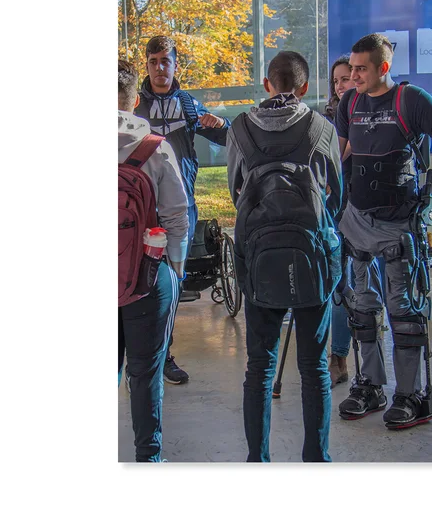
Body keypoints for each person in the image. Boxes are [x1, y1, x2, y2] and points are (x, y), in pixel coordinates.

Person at [335, 33, 432, 428]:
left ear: (383, 67)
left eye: (361, 69)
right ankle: (370, 385)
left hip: (398, 224)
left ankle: (410, 394)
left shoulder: (411, 100)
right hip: (356, 220)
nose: (353, 76)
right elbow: (340, 154)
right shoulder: (350, 103)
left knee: (402, 311)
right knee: (362, 308)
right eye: (351, 68)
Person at [227, 50, 343, 461]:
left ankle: (257, 461)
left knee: (259, 367)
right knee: (314, 368)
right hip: (311, 257)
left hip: (260, 259)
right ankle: (316, 460)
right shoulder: (322, 128)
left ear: (267, 84)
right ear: (305, 87)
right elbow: (337, 198)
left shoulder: (240, 129)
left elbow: (236, 192)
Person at [134, 35, 229, 385]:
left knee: (172, 283)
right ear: (146, 66)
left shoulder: (188, 104)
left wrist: (220, 124)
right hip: (139, 210)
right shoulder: (133, 105)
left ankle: (164, 354)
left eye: (166, 61)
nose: (160, 68)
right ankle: (137, 358)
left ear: (175, 65)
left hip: (180, 208)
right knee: (135, 282)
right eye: (153, 61)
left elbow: (226, 137)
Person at [118, 59, 189, 461]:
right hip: (146, 273)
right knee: (146, 374)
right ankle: (149, 459)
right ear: (134, 101)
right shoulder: (154, 147)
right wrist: (174, 269)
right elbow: (177, 215)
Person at [323, 55, 385, 388]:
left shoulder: (373, 116)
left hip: (368, 212)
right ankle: (338, 357)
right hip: (335, 211)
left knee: (366, 287)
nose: (340, 85)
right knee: (338, 286)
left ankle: (368, 360)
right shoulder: (325, 120)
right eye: (335, 81)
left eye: (345, 78)